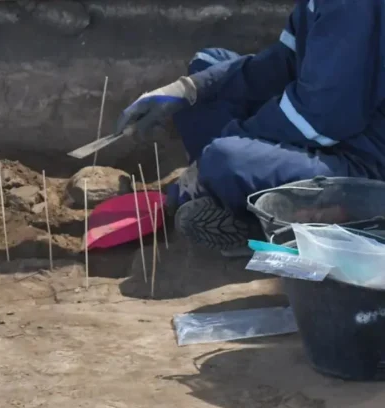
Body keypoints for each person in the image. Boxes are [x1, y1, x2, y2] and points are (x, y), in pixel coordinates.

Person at [115, 0, 384, 251]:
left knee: (225, 158)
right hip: (322, 126)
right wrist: (190, 89)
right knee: (208, 67)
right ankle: (225, 191)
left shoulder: (355, 7)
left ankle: (260, 225)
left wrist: (227, 143)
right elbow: (284, 62)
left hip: (364, 168)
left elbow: (321, 120)